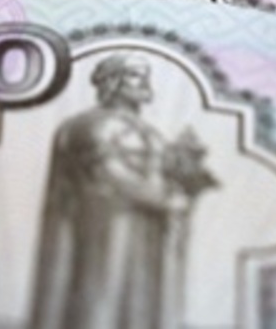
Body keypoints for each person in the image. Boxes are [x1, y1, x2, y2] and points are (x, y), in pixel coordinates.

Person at [30, 55, 215, 329]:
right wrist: (165, 199)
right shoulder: (89, 126)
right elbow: (108, 175)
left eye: (145, 75)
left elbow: (163, 173)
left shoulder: (150, 132)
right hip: (102, 227)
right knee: (102, 292)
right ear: (112, 81)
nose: (144, 82)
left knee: (140, 299)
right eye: (135, 75)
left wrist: (186, 181)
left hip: (146, 230)